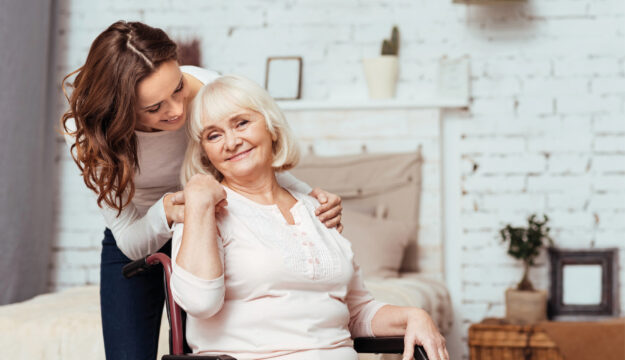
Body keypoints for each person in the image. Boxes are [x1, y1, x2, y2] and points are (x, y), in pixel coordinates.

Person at [61, 21, 343, 360]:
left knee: (194, 351)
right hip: (138, 233)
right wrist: (166, 211)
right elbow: (126, 233)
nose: (177, 109)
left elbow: (252, 159)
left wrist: (308, 198)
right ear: (119, 109)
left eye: (178, 87)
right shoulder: (87, 130)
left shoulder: (209, 88)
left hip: (209, 226)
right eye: (155, 108)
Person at [171, 75, 449, 360]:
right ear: (204, 152)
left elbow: (355, 311)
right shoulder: (202, 213)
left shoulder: (316, 210)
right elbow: (199, 302)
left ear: (272, 127)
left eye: (241, 123)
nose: (231, 142)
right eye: (214, 135)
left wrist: (414, 316)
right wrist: (200, 201)